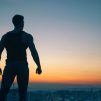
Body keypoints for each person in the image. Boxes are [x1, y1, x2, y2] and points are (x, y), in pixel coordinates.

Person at [0, 14, 42, 101]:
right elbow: (33, 52)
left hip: (9, 65)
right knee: (22, 93)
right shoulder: (26, 36)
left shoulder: (5, 37)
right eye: (23, 22)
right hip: (22, 65)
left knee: (3, 91)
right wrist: (39, 66)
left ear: (14, 23)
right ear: (21, 23)